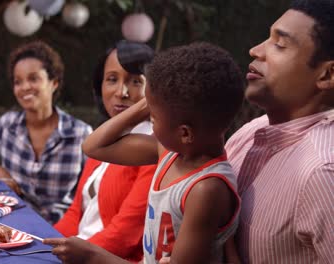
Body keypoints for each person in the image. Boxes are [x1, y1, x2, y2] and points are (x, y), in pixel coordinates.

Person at [45, 42, 245, 264]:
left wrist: (92, 255)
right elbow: (93, 146)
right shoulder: (169, 153)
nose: (149, 119)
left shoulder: (205, 189)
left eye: (154, 117)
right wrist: (148, 102)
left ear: (185, 134)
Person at [224, 0, 334, 262]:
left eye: (280, 45)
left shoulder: (323, 172)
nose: (255, 51)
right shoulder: (252, 131)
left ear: (327, 75)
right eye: (267, 38)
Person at [0, 41, 92, 223]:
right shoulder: (8, 125)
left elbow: (92, 199)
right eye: (18, 81)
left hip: (62, 232)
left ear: (54, 83)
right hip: (12, 228)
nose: (24, 87)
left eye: (33, 78)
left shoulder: (80, 134)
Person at [54, 40, 157, 261]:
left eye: (135, 81)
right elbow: (75, 214)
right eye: (112, 79)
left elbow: (125, 235)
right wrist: (43, 244)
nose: (122, 92)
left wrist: (62, 258)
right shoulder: (105, 138)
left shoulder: (154, 147)